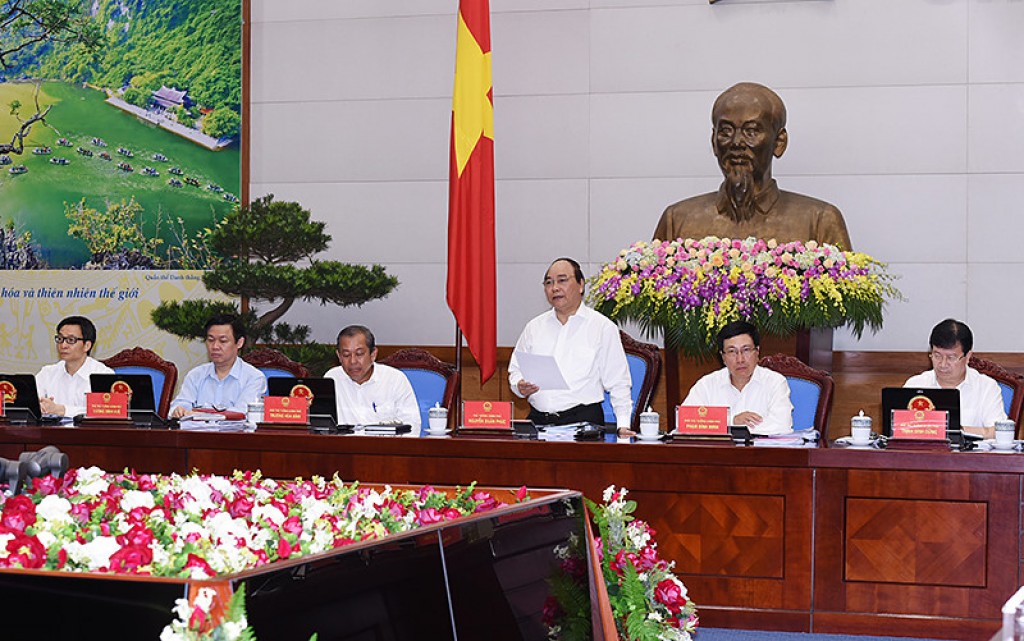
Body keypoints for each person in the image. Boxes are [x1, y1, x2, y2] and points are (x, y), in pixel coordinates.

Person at [653, 82, 852, 250]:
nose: (736, 142)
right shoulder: (678, 221)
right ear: (714, 142)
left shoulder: (819, 221)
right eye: (726, 131)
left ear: (779, 142)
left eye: (751, 131)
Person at [508, 257, 632, 429]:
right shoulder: (534, 327)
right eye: (549, 283)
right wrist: (519, 386)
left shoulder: (602, 327)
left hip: (583, 423)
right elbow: (515, 370)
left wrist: (623, 425)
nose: (555, 288)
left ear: (581, 285)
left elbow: (619, 382)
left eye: (562, 280)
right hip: (538, 421)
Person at [681, 320, 793, 435]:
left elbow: (782, 425)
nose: (740, 359)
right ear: (723, 357)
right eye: (732, 352)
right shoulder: (707, 385)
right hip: (719, 452)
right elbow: (686, 421)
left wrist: (724, 427)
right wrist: (732, 421)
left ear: (757, 352)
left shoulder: (775, 382)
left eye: (746, 350)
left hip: (760, 452)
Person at [904, 319, 1005, 439]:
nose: (943, 364)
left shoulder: (986, 387)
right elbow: (899, 429)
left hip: (970, 457)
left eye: (951, 357)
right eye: (937, 356)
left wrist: (953, 430)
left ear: (968, 357)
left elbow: (999, 432)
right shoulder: (915, 385)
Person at [324, 325, 421, 433]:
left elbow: (412, 427)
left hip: (384, 447)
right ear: (339, 356)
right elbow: (323, 427)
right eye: (346, 355)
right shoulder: (332, 379)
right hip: (343, 447)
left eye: (359, 354)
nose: (352, 361)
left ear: (373, 354)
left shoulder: (395, 379)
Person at [169, 314, 267, 418]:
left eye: (223, 341)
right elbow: (180, 404)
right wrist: (179, 410)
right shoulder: (196, 375)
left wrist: (200, 415)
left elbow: (240, 414)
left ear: (239, 343)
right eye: (211, 340)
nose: (215, 346)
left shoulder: (254, 378)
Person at [35, 316, 114, 417]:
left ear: (87, 345)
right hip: (51, 431)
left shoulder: (104, 375)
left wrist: (62, 410)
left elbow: (106, 412)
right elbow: (31, 404)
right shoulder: (47, 373)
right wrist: (41, 406)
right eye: (60, 339)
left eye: (70, 340)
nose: (63, 345)